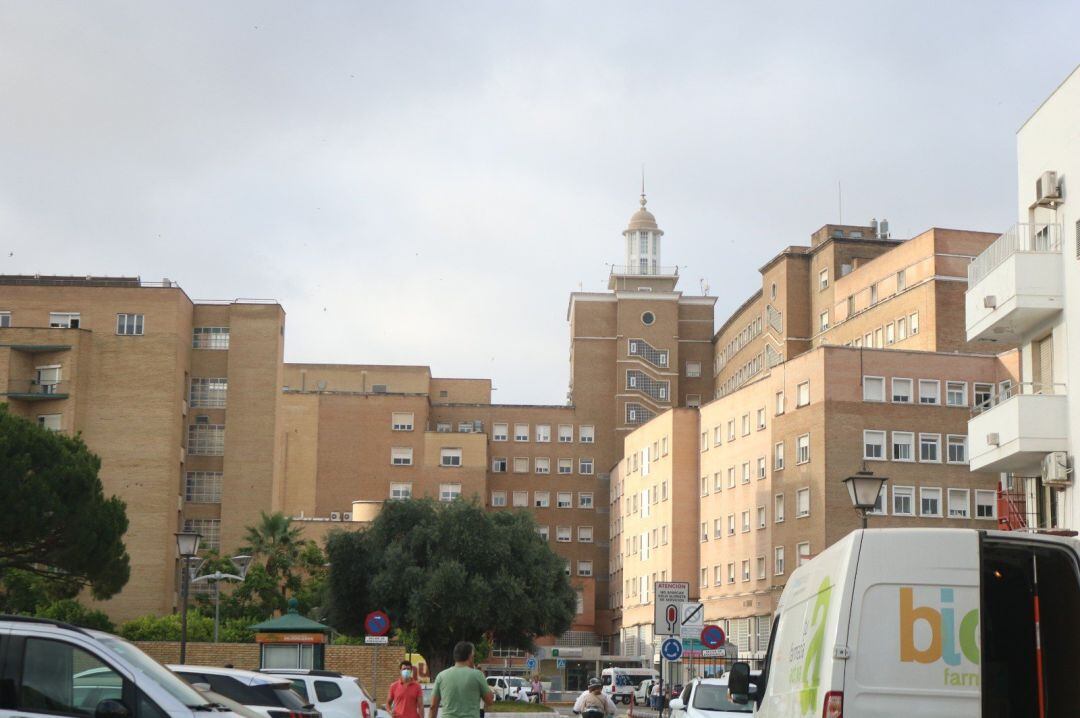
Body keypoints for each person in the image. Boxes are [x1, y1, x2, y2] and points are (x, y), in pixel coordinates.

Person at [429, 641, 494, 718]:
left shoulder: (441, 676)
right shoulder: (477, 675)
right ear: (470, 656)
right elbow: (489, 701)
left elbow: (433, 706)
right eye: (473, 655)